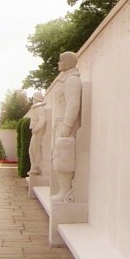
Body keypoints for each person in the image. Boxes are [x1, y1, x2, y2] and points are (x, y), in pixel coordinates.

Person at [48, 51, 82, 202]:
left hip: (65, 126)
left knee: (63, 158)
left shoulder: (72, 80)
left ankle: (66, 191)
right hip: (60, 125)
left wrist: (67, 125)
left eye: (60, 61)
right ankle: (63, 190)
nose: (58, 63)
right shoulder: (65, 80)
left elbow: (73, 104)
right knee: (57, 158)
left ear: (67, 62)